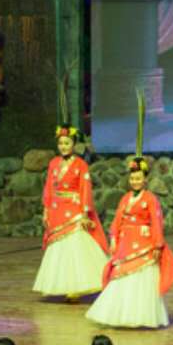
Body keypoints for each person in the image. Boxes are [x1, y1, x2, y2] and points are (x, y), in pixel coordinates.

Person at [87, 154, 173, 329]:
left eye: (138, 178)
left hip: (144, 242)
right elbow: (117, 220)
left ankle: (141, 315)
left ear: (145, 180)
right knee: (122, 276)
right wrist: (113, 238)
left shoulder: (150, 198)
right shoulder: (126, 198)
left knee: (141, 279)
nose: (135, 181)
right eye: (132, 178)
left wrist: (158, 244)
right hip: (125, 243)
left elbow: (157, 221)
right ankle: (120, 314)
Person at [33, 123, 108, 300]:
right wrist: (46, 209)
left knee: (75, 249)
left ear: (73, 144)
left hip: (74, 209)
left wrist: (84, 212)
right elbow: (49, 187)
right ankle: (58, 284)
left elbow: (85, 189)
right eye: (61, 143)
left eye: (67, 143)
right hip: (58, 209)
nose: (63, 146)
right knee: (58, 249)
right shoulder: (54, 163)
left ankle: (76, 286)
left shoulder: (81, 165)